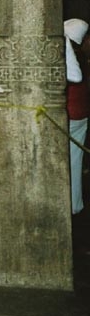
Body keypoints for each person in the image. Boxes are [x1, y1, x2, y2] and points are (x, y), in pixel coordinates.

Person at [65, 18, 89, 215]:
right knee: (74, 161)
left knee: (68, 161)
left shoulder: (67, 53)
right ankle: (75, 204)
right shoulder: (81, 55)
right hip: (80, 112)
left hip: (70, 112)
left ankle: (69, 205)